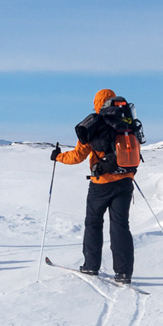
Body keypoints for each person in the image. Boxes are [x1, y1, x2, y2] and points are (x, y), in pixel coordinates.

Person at [51, 88, 136, 283]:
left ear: (98, 103)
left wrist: (57, 157)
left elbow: (77, 156)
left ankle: (91, 266)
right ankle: (123, 273)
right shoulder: (127, 121)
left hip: (101, 184)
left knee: (93, 223)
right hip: (125, 181)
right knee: (120, 226)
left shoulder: (94, 124)